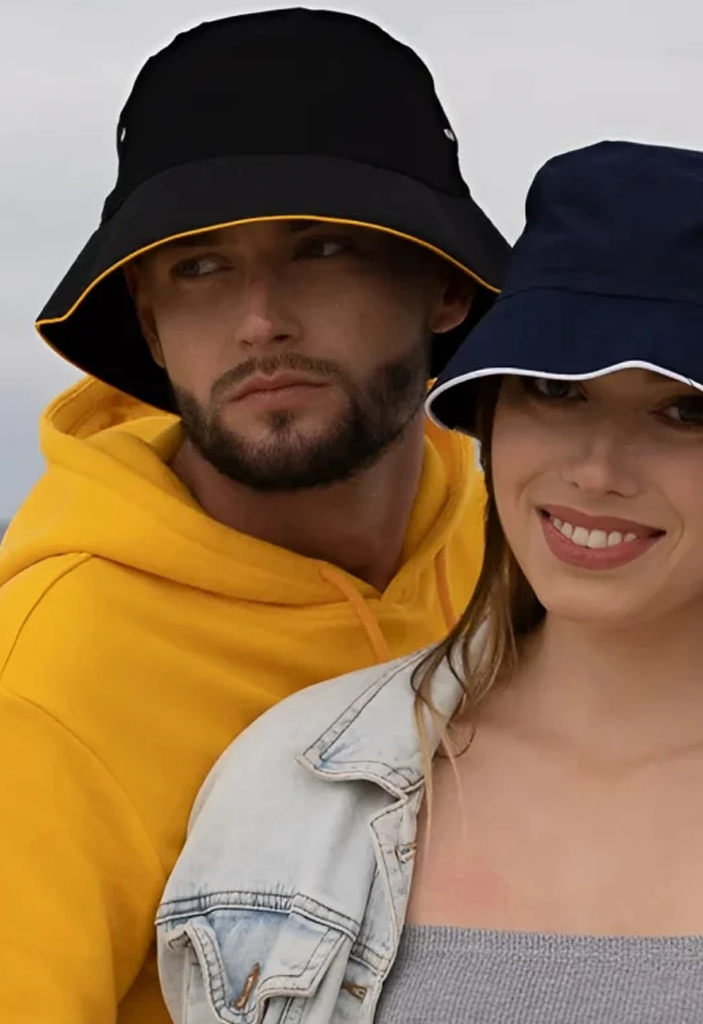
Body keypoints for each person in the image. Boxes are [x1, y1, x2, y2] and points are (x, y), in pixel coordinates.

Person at [156, 142, 703, 1023]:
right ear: (492, 413)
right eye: (554, 389)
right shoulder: (288, 793)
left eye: (685, 410)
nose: (599, 469)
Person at [0, 10, 508, 1024]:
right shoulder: (52, 677)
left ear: (444, 284)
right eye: (199, 267)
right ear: (149, 324)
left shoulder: (525, 555)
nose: (259, 318)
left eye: (318, 248)